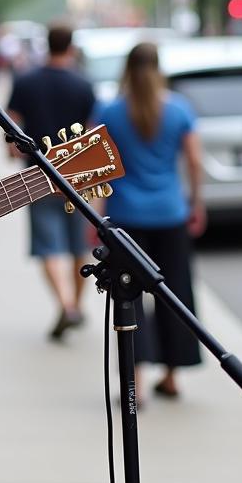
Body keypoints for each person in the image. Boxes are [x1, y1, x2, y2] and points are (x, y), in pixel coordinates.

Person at [93, 41, 205, 401]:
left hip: (126, 219)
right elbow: (193, 161)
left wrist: (95, 216)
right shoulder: (179, 110)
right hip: (170, 213)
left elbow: (95, 169)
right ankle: (172, 376)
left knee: (129, 298)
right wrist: (196, 202)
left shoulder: (110, 110)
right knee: (175, 294)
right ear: (159, 68)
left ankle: (135, 384)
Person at [7, 21, 96, 340]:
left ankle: (66, 304)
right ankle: (75, 304)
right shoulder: (83, 84)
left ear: (47, 44)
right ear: (71, 46)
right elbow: (90, 128)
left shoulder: (27, 80)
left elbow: (11, 122)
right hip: (76, 175)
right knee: (78, 246)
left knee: (48, 246)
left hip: (38, 174)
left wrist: (15, 154)